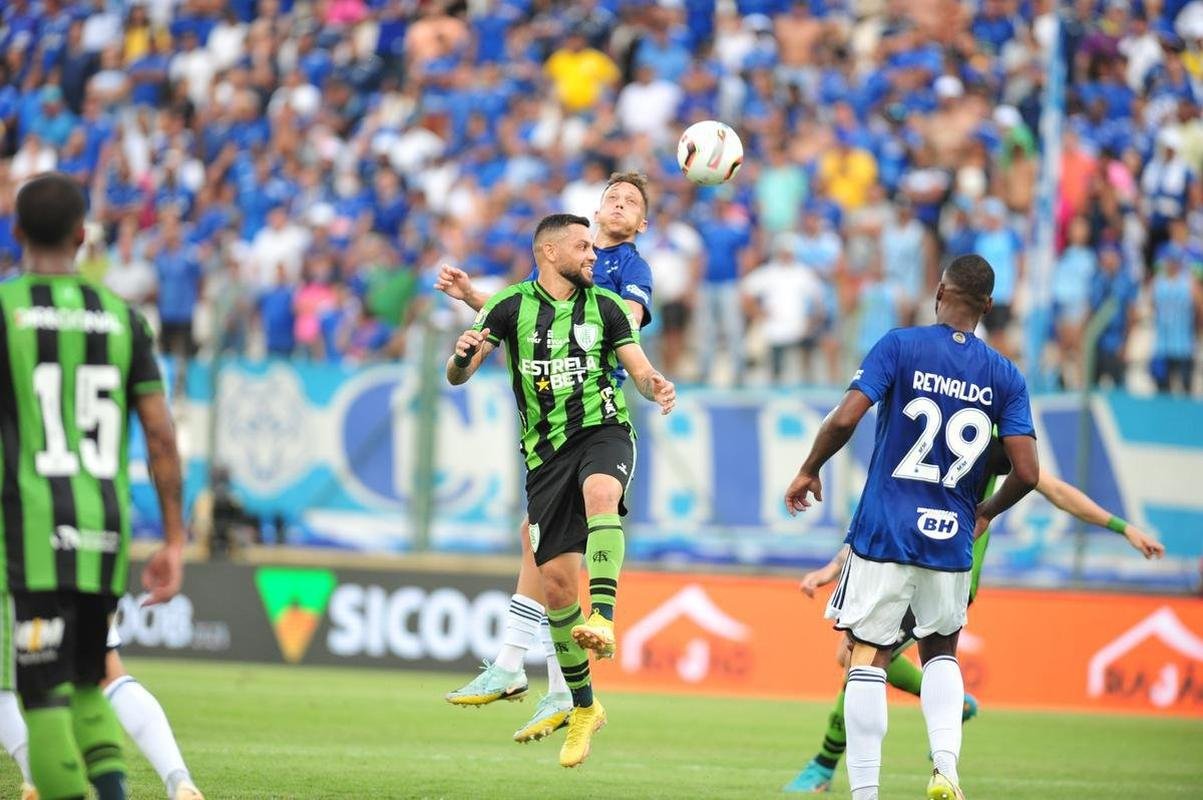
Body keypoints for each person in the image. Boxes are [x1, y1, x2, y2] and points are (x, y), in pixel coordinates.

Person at [783, 254, 1041, 800]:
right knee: (941, 651)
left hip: (885, 530)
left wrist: (809, 468)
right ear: (988, 305)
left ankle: (866, 792)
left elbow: (848, 416)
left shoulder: (899, 345)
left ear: (940, 291)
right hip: (950, 536)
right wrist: (986, 512)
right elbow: (1028, 472)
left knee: (865, 654)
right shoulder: (1006, 374)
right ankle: (945, 769)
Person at [785, 439, 1165, 793]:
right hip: (918, 563)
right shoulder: (943, 431)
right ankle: (946, 704)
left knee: (857, 657)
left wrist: (1123, 527)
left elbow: (1051, 487)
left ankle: (824, 765)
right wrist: (834, 567)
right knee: (853, 655)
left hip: (948, 574)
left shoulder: (991, 432)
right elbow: (891, 511)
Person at [446, 213, 675, 768]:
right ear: (549, 252)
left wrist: (654, 385)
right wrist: (459, 355)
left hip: (604, 431)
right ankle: (584, 705)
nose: (593, 256)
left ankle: (603, 615)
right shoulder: (508, 307)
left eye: (594, 249)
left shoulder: (609, 307)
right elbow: (458, 375)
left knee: (602, 493)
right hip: (544, 457)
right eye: (583, 248)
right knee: (553, 586)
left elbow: (639, 368)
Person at [0, 173, 188, 800]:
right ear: (84, 237)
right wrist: (175, 539)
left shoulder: (6, 312)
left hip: (29, 533)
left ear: (18, 233)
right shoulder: (122, 319)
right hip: (102, 532)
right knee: (88, 680)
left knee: (41, 692)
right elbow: (161, 438)